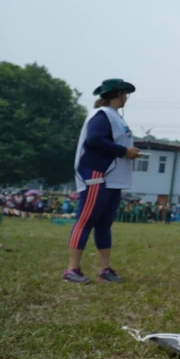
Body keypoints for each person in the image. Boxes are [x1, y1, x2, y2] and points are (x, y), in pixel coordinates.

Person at [63, 79, 142, 284]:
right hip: (97, 176)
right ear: (119, 94)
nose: (126, 98)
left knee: (104, 224)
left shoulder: (114, 117)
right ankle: (72, 269)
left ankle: (105, 269)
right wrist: (124, 151)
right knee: (85, 221)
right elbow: (94, 140)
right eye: (125, 94)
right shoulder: (101, 115)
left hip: (112, 178)